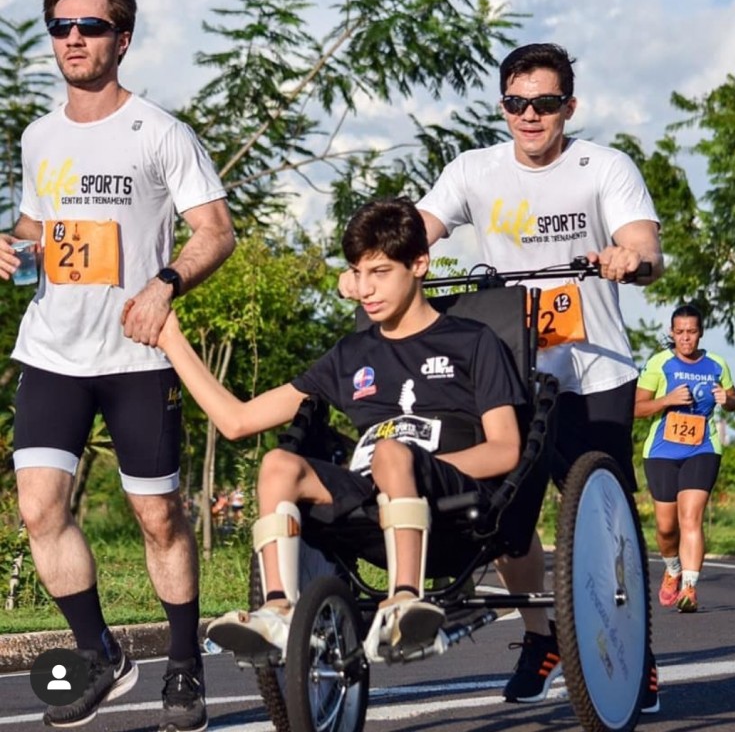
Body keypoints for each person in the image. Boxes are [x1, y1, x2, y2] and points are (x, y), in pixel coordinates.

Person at [339, 42, 664, 711]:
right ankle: (543, 637)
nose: (530, 115)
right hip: (507, 367)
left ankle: (634, 648)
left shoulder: (605, 166)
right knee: (507, 518)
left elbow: (647, 246)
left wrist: (628, 258)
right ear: (503, 106)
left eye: (545, 104)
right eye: (517, 103)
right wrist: (371, 265)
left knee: (602, 514)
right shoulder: (473, 170)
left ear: (569, 107)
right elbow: (413, 236)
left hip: (592, 366)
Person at [0, 0, 235, 731]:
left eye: (90, 27)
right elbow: (39, 232)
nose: (73, 38)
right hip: (52, 350)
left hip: (137, 356)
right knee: (39, 510)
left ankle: (185, 665)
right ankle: (99, 651)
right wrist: (12, 249)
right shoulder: (39, 136)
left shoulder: (161, 133)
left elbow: (215, 231)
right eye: (61, 26)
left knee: (159, 515)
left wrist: (166, 284)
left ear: (120, 40)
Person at [155, 196, 527, 660]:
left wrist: (408, 469)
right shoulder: (350, 355)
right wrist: (170, 339)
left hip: (453, 508)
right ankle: (278, 611)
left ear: (419, 264)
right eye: (357, 272)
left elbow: (507, 449)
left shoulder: (473, 341)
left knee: (393, 452)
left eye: (380, 272)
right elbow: (237, 421)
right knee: (277, 464)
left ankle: (405, 603)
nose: (366, 288)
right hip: (367, 505)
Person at [635, 304, 735, 614]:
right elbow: (636, 408)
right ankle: (672, 567)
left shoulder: (717, 364)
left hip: (702, 448)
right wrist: (667, 400)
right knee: (667, 528)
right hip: (662, 451)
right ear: (671, 332)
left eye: (691, 332)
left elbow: (734, 400)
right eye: (679, 332)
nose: (685, 338)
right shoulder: (659, 363)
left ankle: (690, 588)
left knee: (690, 517)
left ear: (700, 332)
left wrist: (727, 399)